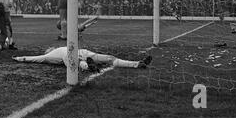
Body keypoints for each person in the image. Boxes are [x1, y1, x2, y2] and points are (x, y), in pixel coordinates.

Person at [13, 46, 152, 70]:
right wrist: (19, 58)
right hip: (83, 51)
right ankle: (137, 64)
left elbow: (35, 58)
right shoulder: (52, 52)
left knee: (77, 63)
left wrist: (19, 58)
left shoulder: (51, 54)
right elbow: (36, 58)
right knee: (109, 58)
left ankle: (89, 66)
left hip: (70, 54)